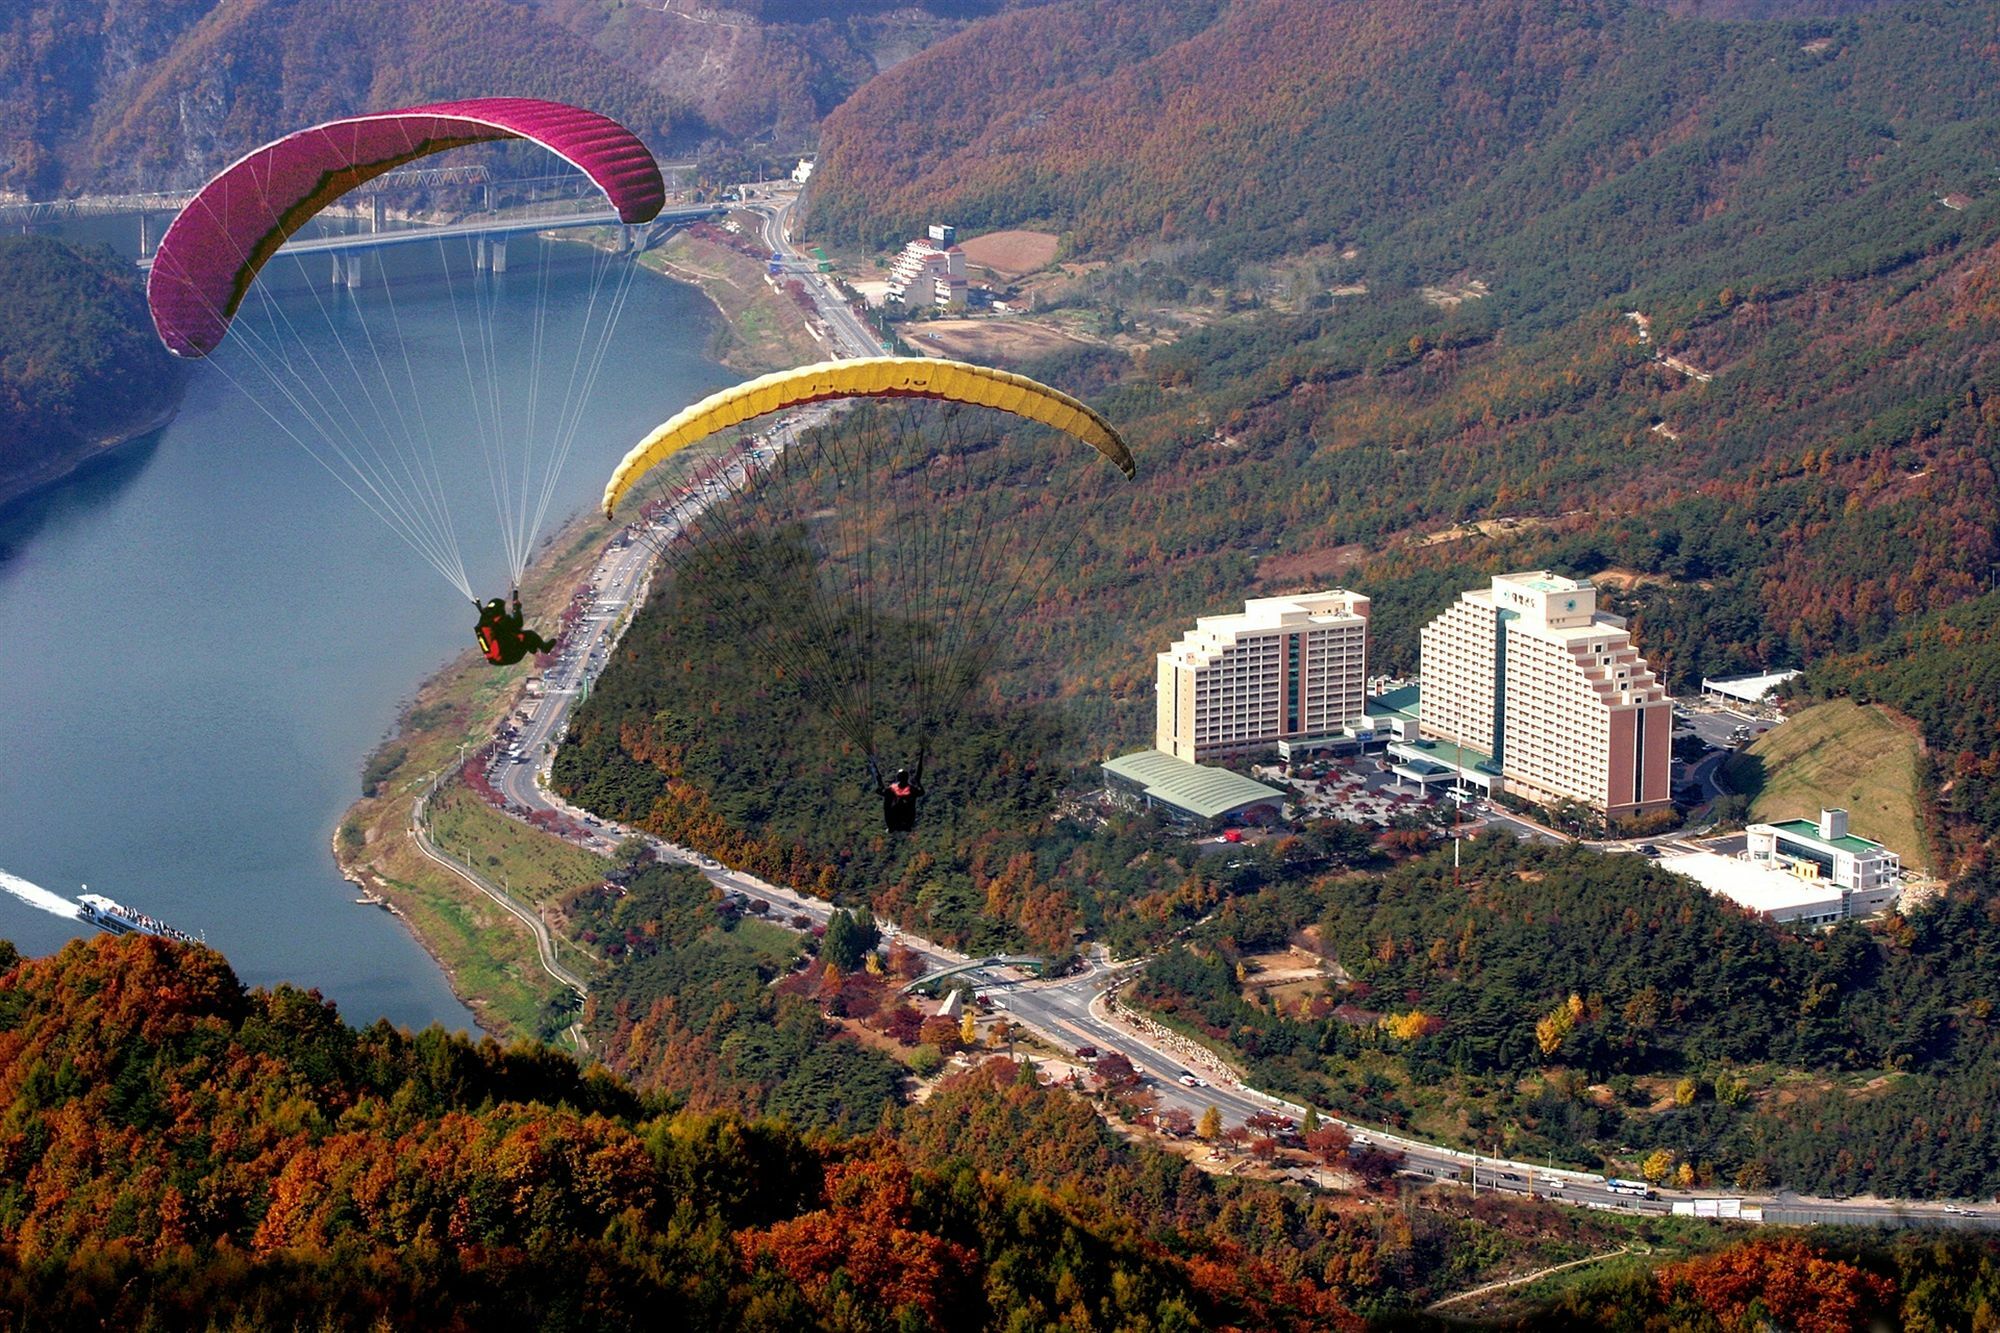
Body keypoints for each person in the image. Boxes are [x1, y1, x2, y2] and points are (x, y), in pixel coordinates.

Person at [475, 592, 556, 666]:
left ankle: (533, 649)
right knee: (529, 635)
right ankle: (544, 648)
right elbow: (518, 624)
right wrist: (517, 610)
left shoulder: (485, 621)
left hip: (496, 659)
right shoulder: (500, 620)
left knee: (522, 637)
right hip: (509, 656)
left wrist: (480, 608)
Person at [868, 755, 924, 832]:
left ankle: (891, 827)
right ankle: (904, 826)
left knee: (888, 799)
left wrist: (879, 782)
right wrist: (918, 782)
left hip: (893, 821)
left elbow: (879, 791)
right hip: (906, 820)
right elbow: (921, 792)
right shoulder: (911, 790)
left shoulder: (891, 790)